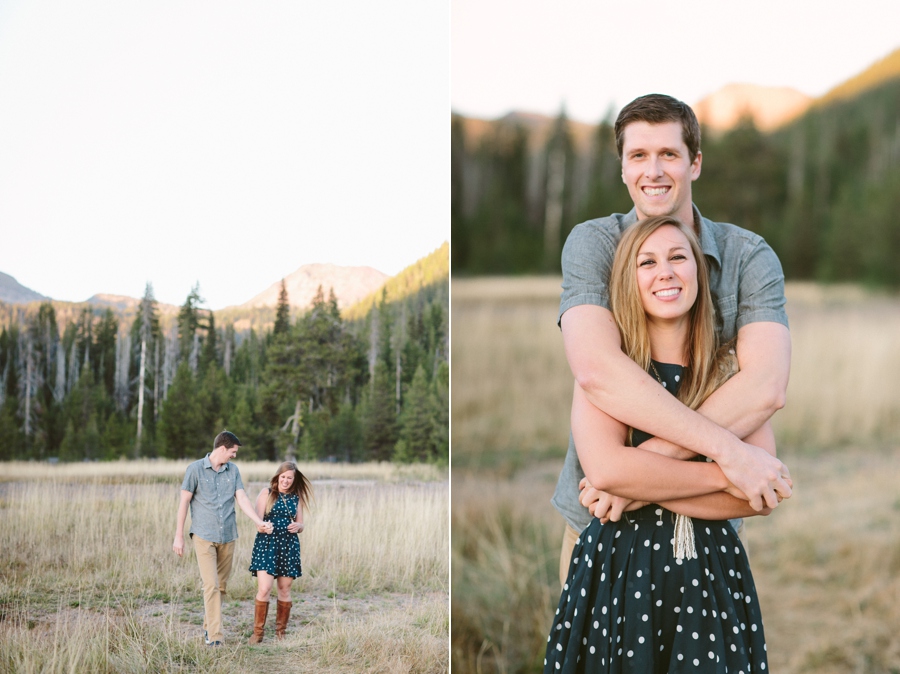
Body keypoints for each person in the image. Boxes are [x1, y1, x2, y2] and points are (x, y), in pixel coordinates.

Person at [552, 94, 793, 586]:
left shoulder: (749, 257)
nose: (653, 170)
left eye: (669, 154)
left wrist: (634, 475)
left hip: (700, 529)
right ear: (622, 168)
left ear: (695, 163)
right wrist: (731, 458)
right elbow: (598, 371)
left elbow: (765, 386)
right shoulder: (593, 244)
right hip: (601, 521)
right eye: (638, 155)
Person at [544, 215, 788, 672]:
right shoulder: (614, 373)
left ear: (699, 271)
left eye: (679, 257)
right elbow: (608, 472)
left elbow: (758, 495)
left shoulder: (727, 371)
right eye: (647, 262)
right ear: (627, 281)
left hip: (707, 576)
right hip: (617, 571)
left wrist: (643, 484)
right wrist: (728, 472)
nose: (665, 272)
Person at [173, 430, 273, 646]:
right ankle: (215, 637)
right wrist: (178, 536)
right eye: (233, 452)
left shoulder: (233, 471)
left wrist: (257, 520)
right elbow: (183, 503)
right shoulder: (195, 470)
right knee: (211, 585)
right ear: (222, 449)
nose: (234, 456)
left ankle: (209, 627)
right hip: (203, 535)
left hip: (228, 536)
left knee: (222, 587)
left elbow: (242, 498)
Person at [247, 461, 313, 644]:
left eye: (289, 478)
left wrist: (299, 526)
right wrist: (263, 527)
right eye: (283, 477)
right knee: (265, 588)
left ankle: (280, 633)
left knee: (284, 589)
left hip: (289, 546)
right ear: (277, 477)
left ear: (294, 479)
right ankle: (258, 633)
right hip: (267, 545)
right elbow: (257, 521)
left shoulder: (296, 497)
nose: (285, 481)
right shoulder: (266, 493)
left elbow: (301, 525)